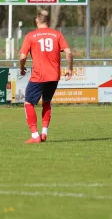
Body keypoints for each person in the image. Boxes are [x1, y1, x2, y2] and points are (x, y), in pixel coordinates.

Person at [18, 10, 73, 144]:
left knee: (28, 103)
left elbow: (23, 57)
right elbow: (69, 53)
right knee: (47, 102)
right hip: (54, 76)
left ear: (37, 21)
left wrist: (21, 68)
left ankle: (35, 135)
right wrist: (70, 69)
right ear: (48, 22)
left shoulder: (30, 36)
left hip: (38, 75)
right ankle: (44, 134)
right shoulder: (57, 34)